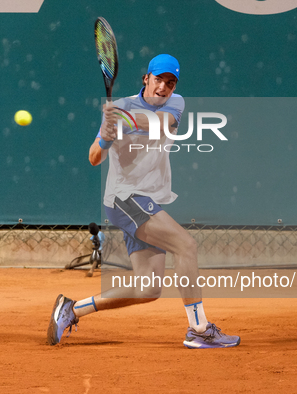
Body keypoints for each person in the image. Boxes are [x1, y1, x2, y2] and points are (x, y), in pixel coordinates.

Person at [47, 54, 240, 349]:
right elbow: (93, 158)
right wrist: (104, 139)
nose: (164, 87)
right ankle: (199, 330)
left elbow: (160, 123)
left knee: (148, 288)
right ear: (146, 79)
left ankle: (72, 310)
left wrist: (122, 120)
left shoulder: (174, 104)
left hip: (145, 200)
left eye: (170, 82)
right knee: (185, 245)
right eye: (159, 79)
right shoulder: (120, 107)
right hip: (125, 198)